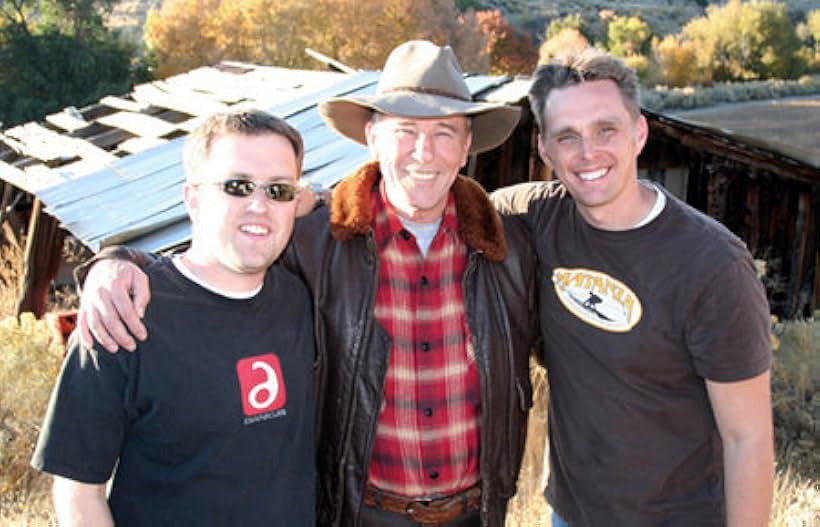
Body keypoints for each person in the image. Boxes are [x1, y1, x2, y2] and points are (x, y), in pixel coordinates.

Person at [73, 40, 538, 526]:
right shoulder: (314, 240)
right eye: (405, 131)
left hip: (476, 515)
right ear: (373, 137)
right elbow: (216, 253)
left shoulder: (511, 250)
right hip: (357, 513)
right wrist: (119, 260)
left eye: (445, 133)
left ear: (467, 146)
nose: (425, 152)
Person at [492, 48, 774, 526]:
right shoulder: (535, 217)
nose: (588, 153)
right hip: (570, 516)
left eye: (606, 129)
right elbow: (439, 207)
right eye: (568, 137)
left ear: (639, 132)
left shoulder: (711, 264)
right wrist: (323, 203)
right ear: (544, 149)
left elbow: (747, 438)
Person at [31, 110, 316, 526]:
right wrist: (109, 263)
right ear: (193, 199)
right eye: (237, 187)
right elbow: (77, 490)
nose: (259, 205)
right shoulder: (124, 312)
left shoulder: (299, 297)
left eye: (278, 190)